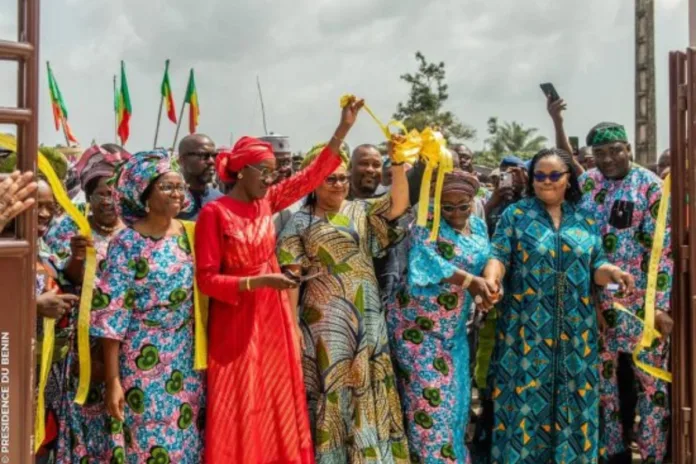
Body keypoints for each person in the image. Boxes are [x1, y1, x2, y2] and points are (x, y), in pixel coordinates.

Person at [195, 97, 365, 463]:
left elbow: (310, 177)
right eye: (265, 172)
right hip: (235, 317)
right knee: (239, 399)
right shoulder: (215, 213)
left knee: (274, 396)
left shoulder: (266, 202)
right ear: (242, 172)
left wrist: (343, 129)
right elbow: (207, 280)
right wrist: (254, 284)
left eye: (273, 172)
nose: (271, 179)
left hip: (272, 317)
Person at [482, 148, 634, 462]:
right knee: (523, 408)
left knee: (576, 404)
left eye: (554, 176)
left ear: (568, 179)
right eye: (539, 175)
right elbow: (498, 255)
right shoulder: (516, 215)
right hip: (525, 335)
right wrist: (492, 279)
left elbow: (597, 265)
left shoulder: (585, 216)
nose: (546, 182)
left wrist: (615, 273)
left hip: (576, 335)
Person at [277, 133, 411, 463]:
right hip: (324, 326)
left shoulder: (361, 211)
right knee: (331, 392)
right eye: (328, 179)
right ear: (312, 182)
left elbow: (398, 206)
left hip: (367, 319)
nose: (337, 185)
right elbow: (291, 279)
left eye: (341, 177)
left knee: (369, 388)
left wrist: (397, 165)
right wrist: (291, 325)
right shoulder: (300, 222)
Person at [91, 150, 205, 462]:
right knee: (147, 443)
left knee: (187, 443)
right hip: (142, 361)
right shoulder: (127, 243)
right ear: (144, 193)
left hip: (187, 358)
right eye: (167, 187)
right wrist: (114, 380)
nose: (177, 194)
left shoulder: (191, 235)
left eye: (180, 187)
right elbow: (111, 314)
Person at [580, 122, 673, 464]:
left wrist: (661, 306)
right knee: (603, 386)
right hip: (597, 304)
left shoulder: (649, 186)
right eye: (600, 153)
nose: (608, 158)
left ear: (629, 149)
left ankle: (652, 455)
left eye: (616, 150)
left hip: (641, 306)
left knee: (651, 386)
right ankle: (612, 453)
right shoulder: (586, 183)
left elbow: (664, 252)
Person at [387, 170, 492, 463]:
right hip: (418, 333)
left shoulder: (479, 227)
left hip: (454, 331)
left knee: (456, 408)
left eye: (463, 205)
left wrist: (485, 287)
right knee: (429, 410)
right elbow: (424, 261)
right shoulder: (425, 222)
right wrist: (471, 282)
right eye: (448, 206)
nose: (456, 213)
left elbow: (485, 262)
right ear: (437, 203)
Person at [40, 145, 130, 462]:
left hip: (125, 342)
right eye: (102, 193)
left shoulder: (136, 232)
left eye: (116, 193)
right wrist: (78, 258)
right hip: (80, 344)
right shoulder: (68, 228)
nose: (109, 201)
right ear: (89, 197)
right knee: (82, 411)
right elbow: (63, 280)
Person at [34, 176, 81, 463]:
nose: (44, 213)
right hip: (12, 367)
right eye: (37, 205)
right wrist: (35, 305)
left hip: (48, 370)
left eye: (50, 206)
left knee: (41, 439)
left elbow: (64, 281)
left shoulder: (45, 249)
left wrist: (77, 260)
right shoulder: (7, 246)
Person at [177, 133, 223, 220]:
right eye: (204, 155)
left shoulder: (221, 201)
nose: (211, 161)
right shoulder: (171, 201)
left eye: (214, 156)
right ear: (182, 160)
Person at [483, 155, 526, 237]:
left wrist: (524, 189)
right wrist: (491, 204)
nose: (512, 177)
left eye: (516, 173)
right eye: (505, 173)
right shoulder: (488, 197)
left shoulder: (531, 199)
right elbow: (476, 225)